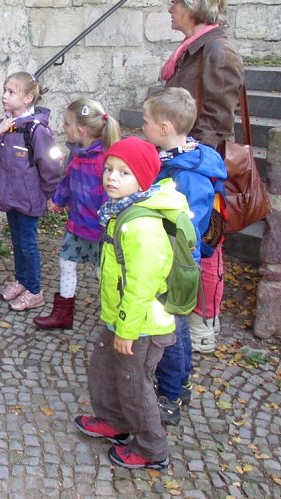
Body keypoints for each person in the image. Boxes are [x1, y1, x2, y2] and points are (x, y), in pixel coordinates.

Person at [74, 136, 181, 470]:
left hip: (140, 326)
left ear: (143, 179)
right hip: (119, 318)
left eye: (124, 172)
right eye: (109, 169)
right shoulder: (121, 211)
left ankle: (152, 448)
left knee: (135, 385)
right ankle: (114, 422)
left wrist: (128, 330)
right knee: (105, 367)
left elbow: (141, 285)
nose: (112, 177)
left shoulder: (141, 225)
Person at [161, 0, 243, 352]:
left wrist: (188, 161)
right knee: (184, 238)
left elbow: (216, 122)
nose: (170, 8)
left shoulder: (218, 51)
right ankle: (183, 309)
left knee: (205, 243)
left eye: (176, 1)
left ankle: (204, 322)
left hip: (199, 167)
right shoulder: (194, 49)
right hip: (182, 161)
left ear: (195, 5)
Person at [142, 88, 227, 425]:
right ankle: (180, 383)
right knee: (174, 326)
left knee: (170, 330)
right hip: (168, 256)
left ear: (164, 128)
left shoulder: (187, 175)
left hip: (175, 262)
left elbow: (187, 227)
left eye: (146, 122)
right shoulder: (176, 158)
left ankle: (170, 395)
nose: (143, 127)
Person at [0, 72, 63, 311]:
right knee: (17, 242)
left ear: (27, 99)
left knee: (28, 244)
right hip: (10, 196)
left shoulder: (37, 130)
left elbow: (49, 165)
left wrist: (51, 195)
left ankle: (35, 291)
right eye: (4, 91)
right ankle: (22, 280)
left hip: (29, 199)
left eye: (11, 92)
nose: (4, 96)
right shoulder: (5, 125)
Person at [34, 98, 121, 330]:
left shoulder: (104, 160)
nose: (63, 127)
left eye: (66, 123)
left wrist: (107, 225)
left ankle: (115, 313)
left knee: (103, 272)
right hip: (77, 225)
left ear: (80, 130)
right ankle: (63, 313)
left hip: (100, 231)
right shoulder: (76, 154)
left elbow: (110, 195)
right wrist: (58, 200)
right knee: (66, 262)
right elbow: (68, 180)